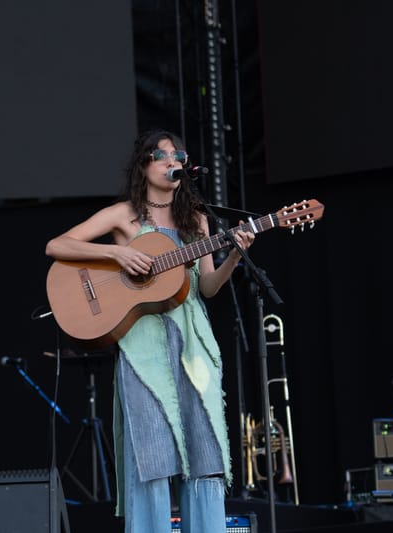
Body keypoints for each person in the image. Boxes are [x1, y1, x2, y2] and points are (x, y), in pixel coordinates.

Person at [45, 129, 255, 532]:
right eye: (162, 155)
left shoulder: (198, 219)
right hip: (143, 348)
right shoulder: (124, 215)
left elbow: (206, 287)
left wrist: (235, 257)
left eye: (179, 154)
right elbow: (57, 245)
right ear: (144, 164)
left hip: (193, 344)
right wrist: (117, 252)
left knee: (204, 454)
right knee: (153, 457)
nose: (172, 160)